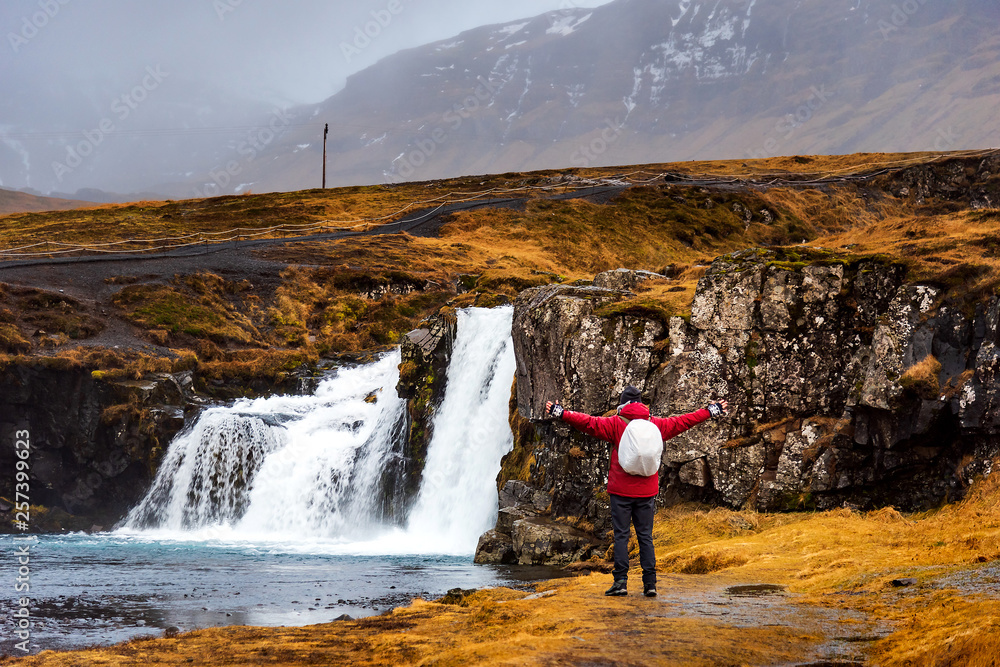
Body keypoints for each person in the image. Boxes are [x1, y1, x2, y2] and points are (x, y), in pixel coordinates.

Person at [545, 386, 728, 597]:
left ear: (622, 404)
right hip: (646, 492)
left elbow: (588, 422)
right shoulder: (656, 424)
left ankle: (621, 583)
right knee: (645, 537)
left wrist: (561, 413)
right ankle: (650, 584)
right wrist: (710, 410)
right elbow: (684, 421)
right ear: (642, 404)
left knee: (621, 536)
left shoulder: (615, 423)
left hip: (620, 491)